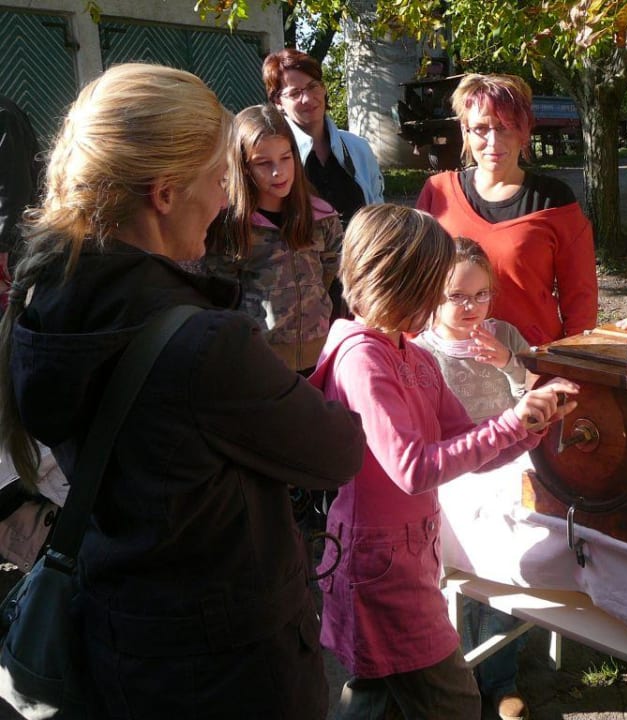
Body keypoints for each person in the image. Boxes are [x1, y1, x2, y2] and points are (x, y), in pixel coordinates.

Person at [0, 63, 366, 719]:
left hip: (122, 640)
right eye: (217, 178)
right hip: (227, 668)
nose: (228, 199)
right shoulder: (202, 345)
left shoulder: (45, 300)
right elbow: (338, 451)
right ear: (164, 194)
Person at [309, 204, 578, 719]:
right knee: (453, 701)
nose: (443, 301)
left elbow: (465, 441)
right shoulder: (364, 359)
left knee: (378, 695)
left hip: (408, 557)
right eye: (435, 287)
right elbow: (413, 469)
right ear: (396, 284)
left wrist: (532, 427)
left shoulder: (413, 356)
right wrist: (513, 425)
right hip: (378, 568)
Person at [412, 236, 530, 720]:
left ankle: (501, 679)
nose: (471, 307)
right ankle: (457, 676)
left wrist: (507, 362)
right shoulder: (421, 350)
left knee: (508, 568)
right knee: (459, 582)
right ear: (432, 296)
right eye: (457, 296)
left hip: (507, 472)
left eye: (481, 295)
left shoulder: (504, 334)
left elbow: (534, 396)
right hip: (453, 483)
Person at [416, 73, 598, 346]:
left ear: (524, 131)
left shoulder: (553, 200)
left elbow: (581, 302)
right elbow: (412, 284)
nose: (493, 142)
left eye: (505, 127)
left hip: (530, 369)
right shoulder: (438, 193)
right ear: (464, 130)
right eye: (480, 128)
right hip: (451, 367)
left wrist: (569, 367)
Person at [203, 103, 342, 375]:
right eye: (263, 163)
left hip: (322, 356)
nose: (278, 172)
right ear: (243, 166)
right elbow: (221, 294)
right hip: (259, 362)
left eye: (286, 158)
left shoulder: (322, 218)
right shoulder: (229, 225)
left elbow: (331, 277)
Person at [262, 47, 384, 231]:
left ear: (323, 87)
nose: (308, 98)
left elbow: (378, 212)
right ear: (278, 102)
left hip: (360, 256)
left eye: (312, 86)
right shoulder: (274, 156)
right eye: (295, 93)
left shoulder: (358, 148)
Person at [0, 94, 40, 307]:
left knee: (7, 306)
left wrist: (3, 243)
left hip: (8, 234)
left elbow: (13, 186)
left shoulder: (3, 115)